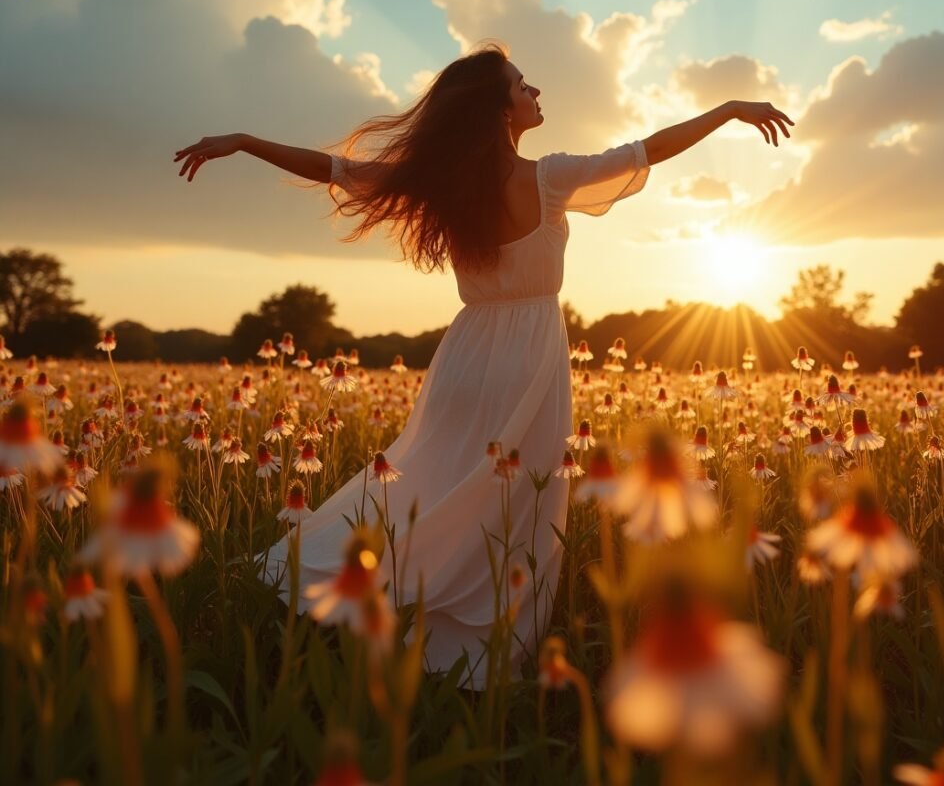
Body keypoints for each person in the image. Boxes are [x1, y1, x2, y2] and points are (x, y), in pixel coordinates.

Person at [172, 40, 794, 686]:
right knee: (516, 505)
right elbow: (647, 150)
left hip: (467, 353)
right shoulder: (549, 178)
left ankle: (343, 585)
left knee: (428, 479)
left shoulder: (442, 185)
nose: (537, 93)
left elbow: (336, 169)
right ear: (499, 110)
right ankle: (469, 657)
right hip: (530, 357)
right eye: (524, 86)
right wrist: (726, 110)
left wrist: (244, 141)